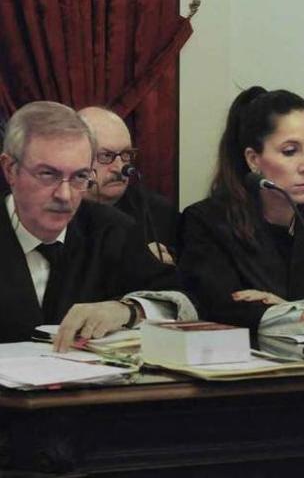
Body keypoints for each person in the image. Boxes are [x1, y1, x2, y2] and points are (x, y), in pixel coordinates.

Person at [177, 87, 304, 335]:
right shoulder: (207, 221)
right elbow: (218, 306)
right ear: (253, 159)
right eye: (290, 151)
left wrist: (294, 311)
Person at [0, 101, 193, 350]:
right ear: (10, 169)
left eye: (80, 176)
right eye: (48, 174)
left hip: (92, 386)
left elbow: (182, 300)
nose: (65, 195)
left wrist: (127, 310)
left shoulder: (112, 230)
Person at [78, 107, 178, 265]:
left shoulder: (158, 212)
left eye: (126, 155)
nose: (119, 167)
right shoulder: (61, 212)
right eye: (106, 156)